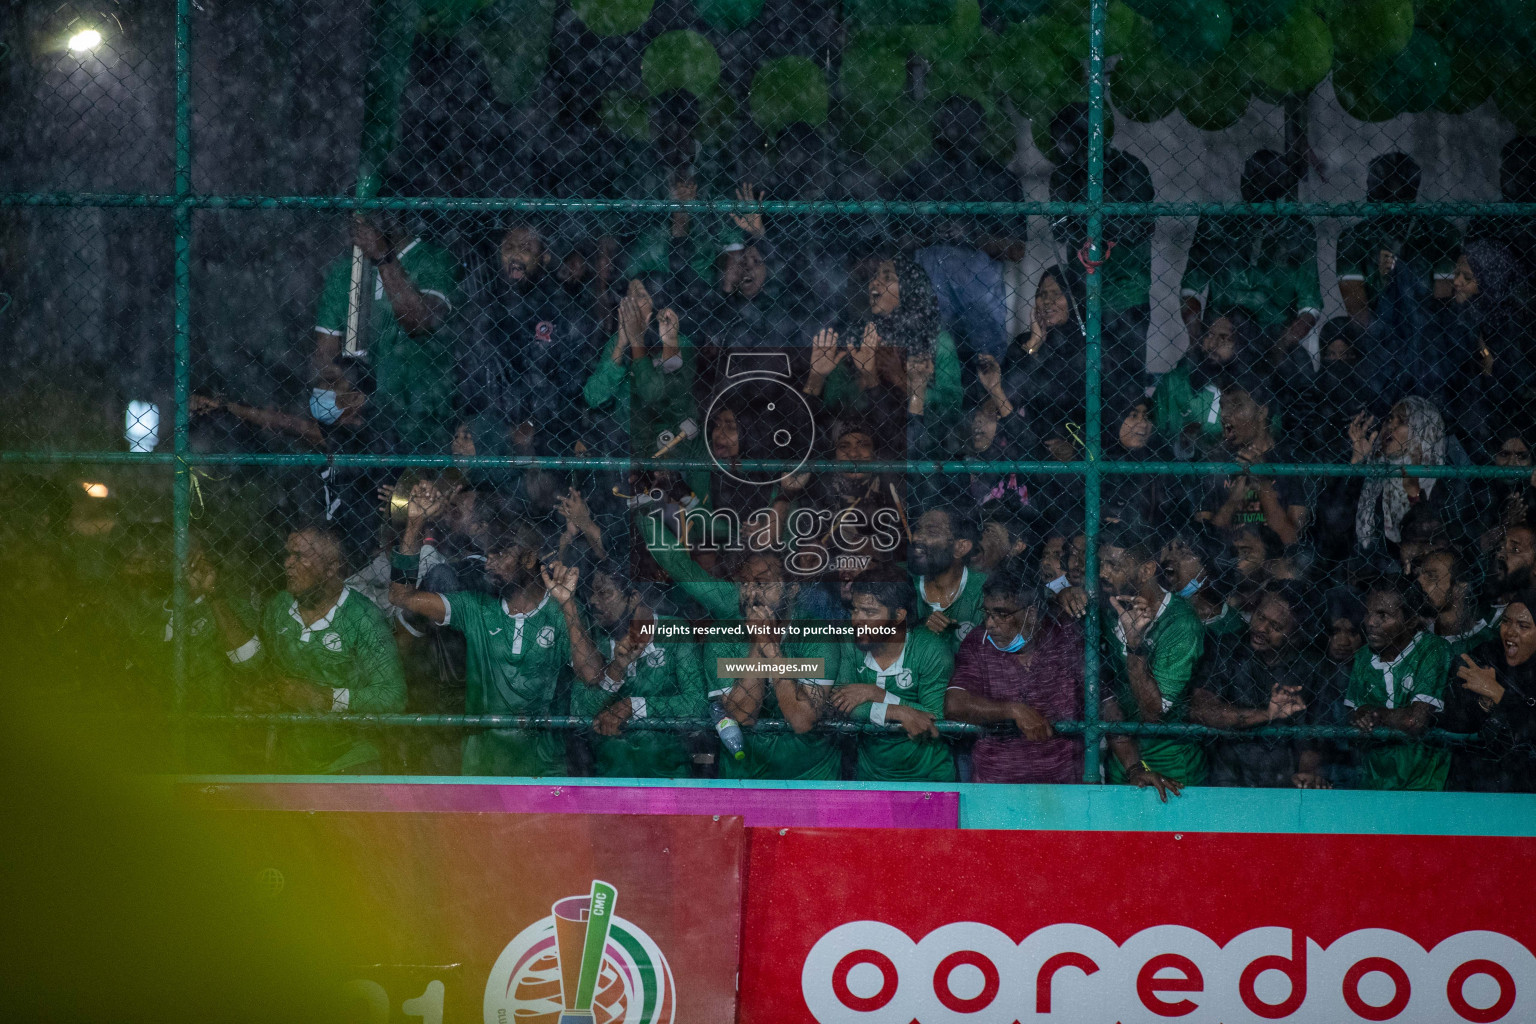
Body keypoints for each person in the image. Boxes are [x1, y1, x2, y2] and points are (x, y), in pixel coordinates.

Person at [388, 509, 604, 776]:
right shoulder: (476, 608)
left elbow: (593, 675)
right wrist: (414, 524)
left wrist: (568, 603)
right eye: (488, 553)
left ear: (528, 557)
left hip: (544, 767)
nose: (489, 562)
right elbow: (401, 596)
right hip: (483, 766)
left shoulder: (560, 611)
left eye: (500, 553)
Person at [230, 526, 407, 773]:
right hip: (290, 757)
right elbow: (265, 669)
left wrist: (326, 698)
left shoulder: (363, 617)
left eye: (300, 556)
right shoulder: (279, 607)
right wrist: (263, 691)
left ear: (331, 568)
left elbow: (393, 695)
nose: (288, 564)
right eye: (287, 555)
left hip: (350, 758)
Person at [311, 206, 462, 451]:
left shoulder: (434, 258)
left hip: (422, 419)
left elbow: (419, 322)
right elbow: (324, 359)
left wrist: (383, 256)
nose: (360, 225)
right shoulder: (343, 272)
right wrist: (339, 398)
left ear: (394, 214)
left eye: (370, 215)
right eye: (354, 217)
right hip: (363, 428)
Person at [1049, 103, 1155, 386]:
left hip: (1126, 291)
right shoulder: (1064, 174)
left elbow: (1140, 227)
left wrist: (1093, 221)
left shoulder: (1129, 169)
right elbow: (1059, 228)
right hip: (1084, 293)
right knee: (1081, 381)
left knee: (1125, 380)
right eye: (1060, 143)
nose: (1063, 150)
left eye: (1069, 140)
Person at [945, 568, 1084, 783]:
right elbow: (954, 704)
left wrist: (1134, 767)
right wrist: (1013, 710)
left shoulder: (1065, 637)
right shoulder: (978, 642)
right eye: (987, 613)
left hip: (1062, 783)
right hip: (995, 782)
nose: (990, 623)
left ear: (1032, 612)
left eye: (1002, 614)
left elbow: (1106, 704)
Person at [1181, 150, 1321, 362]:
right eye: (1254, 181)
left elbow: (1310, 306)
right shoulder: (1217, 222)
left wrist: (1277, 351)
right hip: (1222, 332)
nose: (1260, 190)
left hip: (1272, 336)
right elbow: (1190, 289)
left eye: (1270, 183)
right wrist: (1198, 341)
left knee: (1298, 370)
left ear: (1283, 187)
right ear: (1243, 183)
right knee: (1189, 373)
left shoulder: (1297, 232)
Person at [461, 222, 600, 434]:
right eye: (508, 248)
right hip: (491, 428)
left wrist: (533, 424)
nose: (515, 256)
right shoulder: (485, 309)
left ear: (544, 257)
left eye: (525, 249)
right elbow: (474, 379)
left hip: (549, 430)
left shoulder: (562, 310)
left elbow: (571, 385)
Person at [1098, 525, 1207, 794]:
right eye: (1100, 563)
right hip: (1122, 763)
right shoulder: (1106, 607)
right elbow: (1105, 691)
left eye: (1113, 565)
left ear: (1147, 571)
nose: (1102, 573)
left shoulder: (1181, 624)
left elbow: (1152, 714)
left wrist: (1135, 647)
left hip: (1173, 769)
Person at [576, 563, 709, 778]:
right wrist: (617, 668)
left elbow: (697, 703)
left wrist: (634, 705)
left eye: (604, 593)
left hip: (669, 775)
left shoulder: (674, 631)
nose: (593, 601)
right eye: (591, 594)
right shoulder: (593, 639)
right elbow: (580, 709)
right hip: (610, 774)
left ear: (633, 598)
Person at [803, 254, 962, 430]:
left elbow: (952, 405)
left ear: (909, 288)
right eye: (873, 277)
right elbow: (832, 402)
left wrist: (900, 379)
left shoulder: (936, 339)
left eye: (887, 278)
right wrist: (865, 377)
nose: (874, 283)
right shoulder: (857, 337)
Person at [1191, 586, 1324, 788]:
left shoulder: (1309, 666)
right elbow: (1201, 710)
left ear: (1295, 636)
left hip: (1282, 782)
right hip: (1227, 776)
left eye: (1276, 627)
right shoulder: (1227, 648)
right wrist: (1267, 714)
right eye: (1260, 616)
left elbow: (1312, 736)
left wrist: (1306, 773)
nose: (1262, 628)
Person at [830, 579, 957, 782]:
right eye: (855, 610)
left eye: (869, 612)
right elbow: (841, 703)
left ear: (898, 616)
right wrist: (898, 711)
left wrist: (878, 694)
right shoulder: (849, 641)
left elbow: (935, 717)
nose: (857, 620)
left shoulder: (930, 649)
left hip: (929, 775)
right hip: (871, 776)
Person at [1316, 397, 1459, 566]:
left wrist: (1414, 497)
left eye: (1403, 421)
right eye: (1390, 419)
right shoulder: (1373, 471)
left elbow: (1435, 546)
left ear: (1423, 430)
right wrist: (1356, 465)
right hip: (1360, 574)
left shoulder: (1442, 483)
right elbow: (1334, 524)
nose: (1390, 426)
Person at [1346, 576, 1451, 791]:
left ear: (1411, 621)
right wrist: (1360, 717)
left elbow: (1415, 720)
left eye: (1383, 615)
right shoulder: (1363, 658)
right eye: (1369, 613)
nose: (1370, 622)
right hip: (1375, 783)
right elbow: (1352, 720)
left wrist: (1373, 714)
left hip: (1425, 783)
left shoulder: (1432, 650)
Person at [1336, 152, 1459, 329]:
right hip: (1377, 336)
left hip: (1427, 336)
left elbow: (1442, 307)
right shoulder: (1354, 239)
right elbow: (1358, 313)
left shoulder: (1441, 234)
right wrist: (1382, 281)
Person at [1446, 593, 1536, 792]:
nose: (1510, 632)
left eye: (1523, 626)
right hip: (1478, 779)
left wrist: (1498, 694)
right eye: (1505, 622)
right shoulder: (1486, 655)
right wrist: (1484, 704)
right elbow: (1455, 720)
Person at [1201, 385, 1309, 546]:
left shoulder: (1290, 462)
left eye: (1236, 406)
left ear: (1261, 412)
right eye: (1223, 406)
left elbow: (1291, 540)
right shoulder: (1215, 461)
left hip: (1273, 562)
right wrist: (1232, 502)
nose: (1224, 414)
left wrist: (1262, 481)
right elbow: (1202, 543)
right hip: (1225, 563)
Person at [910, 506, 987, 654]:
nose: (916, 538)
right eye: (918, 529)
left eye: (932, 532)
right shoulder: (902, 581)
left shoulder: (984, 590)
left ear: (960, 547)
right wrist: (918, 627)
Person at [1415, 547, 1496, 659]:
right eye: (1419, 575)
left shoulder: (1486, 642)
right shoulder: (1418, 637)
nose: (1419, 582)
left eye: (1431, 576)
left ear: (1460, 587)